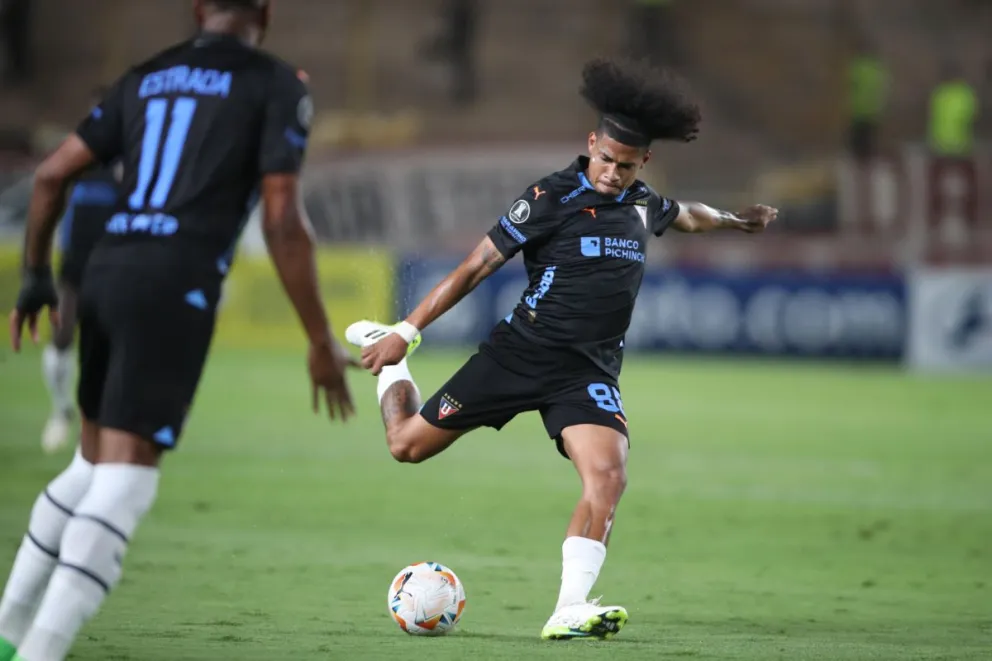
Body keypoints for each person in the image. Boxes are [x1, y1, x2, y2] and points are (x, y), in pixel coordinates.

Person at [346, 57, 777, 641]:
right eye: (606, 159)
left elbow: (691, 217)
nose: (612, 174)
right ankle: (390, 361)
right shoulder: (548, 197)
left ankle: (569, 607)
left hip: (587, 371)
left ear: (643, 161)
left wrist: (734, 221)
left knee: (608, 475)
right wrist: (406, 331)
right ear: (591, 142)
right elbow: (475, 267)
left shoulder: (643, 201)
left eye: (626, 166)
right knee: (406, 447)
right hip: (518, 355)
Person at [2, 2, 356, 660]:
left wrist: (34, 278)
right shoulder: (276, 84)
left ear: (198, 8)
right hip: (175, 279)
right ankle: (39, 653)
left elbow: (50, 175)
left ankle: (6, 632)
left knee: (90, 461)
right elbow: (282, 219)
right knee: (128, 479)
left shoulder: (145, 76)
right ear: (266, 13)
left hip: (106, 269)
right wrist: (318, 338)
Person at [40, 88, 121, 455]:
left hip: (115, 264)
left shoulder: (129, 161)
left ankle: (106, 421)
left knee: (111, 345)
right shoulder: (74, 159)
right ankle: (60, 411)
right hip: (74, 262)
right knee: (62, 335)